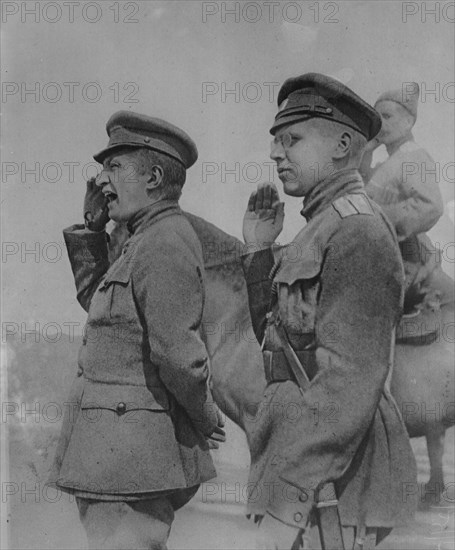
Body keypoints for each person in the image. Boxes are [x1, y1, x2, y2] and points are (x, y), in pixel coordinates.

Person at [241, 73, 417, 549]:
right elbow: (280, 347)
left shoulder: (357, 229)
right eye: (276, 142)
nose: (276, 154)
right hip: (302, 462)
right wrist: (259, 254)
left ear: (343, 144)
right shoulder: (321, 226)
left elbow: (350, 380)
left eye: (291, 140)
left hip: (332, 482)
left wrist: (292, 490)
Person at [49, 111, 225, 550]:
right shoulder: (141, 238)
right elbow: (103, 312)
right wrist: (93, 230)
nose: (101, 180)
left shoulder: (164, 242)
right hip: (117, 452)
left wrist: (204, 415)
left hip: (130, 456)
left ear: (155, 177)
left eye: (114, 167)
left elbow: (177, 352)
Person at [361, 83, 454, 326]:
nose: (381, 124)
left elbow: (430, 205)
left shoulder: (412, 156)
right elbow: (361, 191)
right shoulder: (389, 163)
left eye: (388, 116)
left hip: (410, 263)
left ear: (409, 122)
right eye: (376, 118)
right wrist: (366, 152)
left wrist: (377, 218)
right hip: (388, 260)